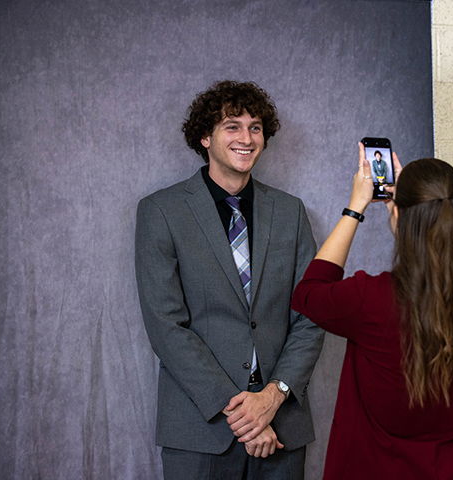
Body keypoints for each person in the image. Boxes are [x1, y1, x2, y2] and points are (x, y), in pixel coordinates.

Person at [135, 80, 325, 480]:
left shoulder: (290, 212)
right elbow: (166, 326)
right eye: (232, 126)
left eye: (255, 127)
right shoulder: (161, 212)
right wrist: (243, 412)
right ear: (205, 136)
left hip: (282, 428)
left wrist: (273, 397)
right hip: (200, 430)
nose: (247, 137)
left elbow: (311, 314)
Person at [290, 144, 453, 479]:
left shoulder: (370, 300)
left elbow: (308, 294)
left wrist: (355, 207)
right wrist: (412, 204)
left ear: (399, 216)